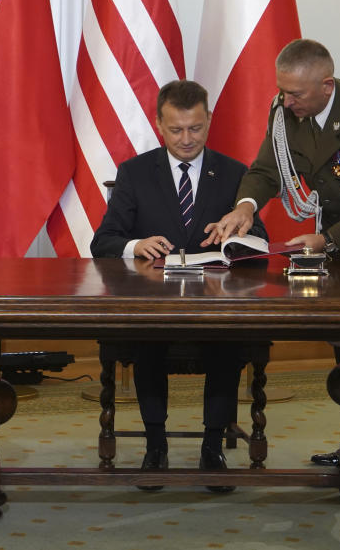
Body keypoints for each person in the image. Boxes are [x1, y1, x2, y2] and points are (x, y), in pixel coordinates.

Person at [205, 38, 340, 467]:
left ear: (326, 84)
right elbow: (268, 169)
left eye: (296, 93)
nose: (287, 101)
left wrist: (325, 241)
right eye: (283, 91)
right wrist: (245, 207)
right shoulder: (285, 111)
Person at [91, 79, 267, 492]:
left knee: (227, 344)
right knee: (149, 342)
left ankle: (212, 449)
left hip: (215, 305)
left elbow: (259, 240)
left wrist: (234, 237)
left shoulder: (234, 174)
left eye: (196, 128)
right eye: (176, 130)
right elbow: (103, 241)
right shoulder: (135, 172)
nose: (187, 139)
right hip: (154, 304)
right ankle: (156, 447)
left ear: (209, 121)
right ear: (158, 124)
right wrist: (137, 244)